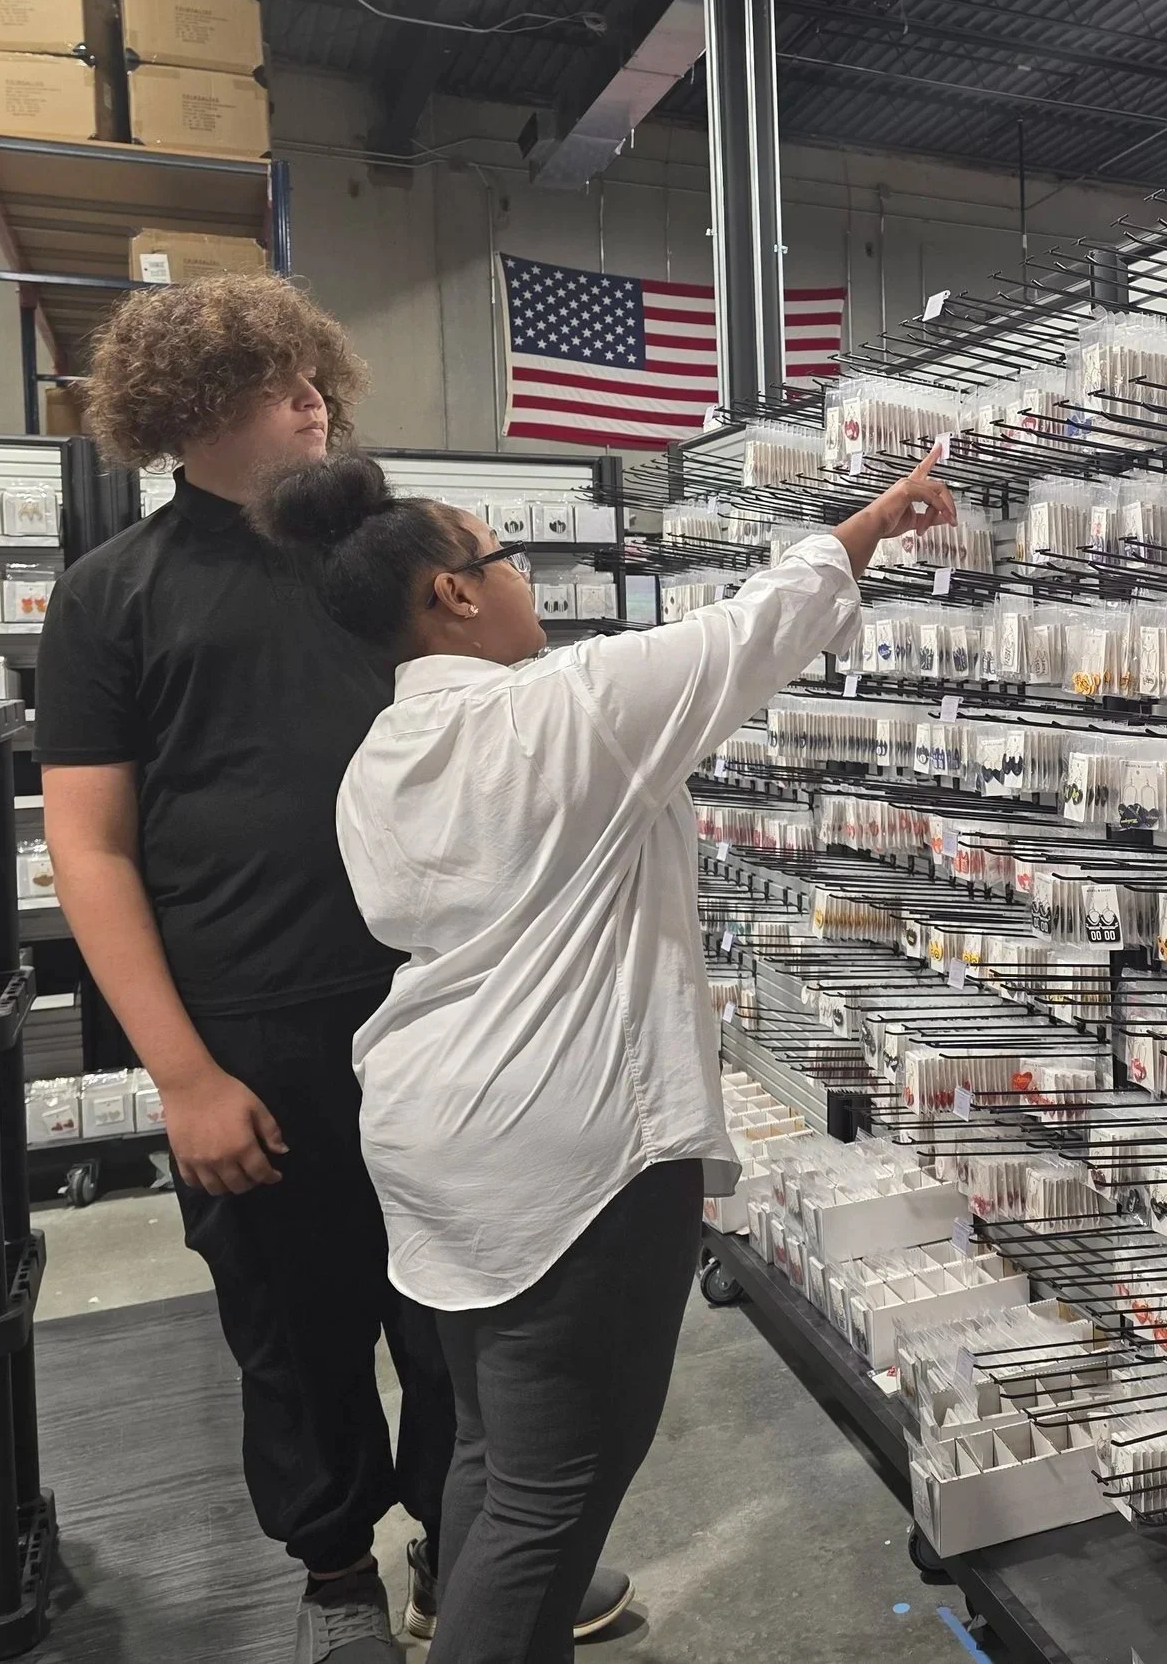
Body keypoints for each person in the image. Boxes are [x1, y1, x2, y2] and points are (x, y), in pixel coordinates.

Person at [248, 443, 955, 1663]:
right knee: (550, 1499)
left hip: (436, 1134)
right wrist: (872, 524)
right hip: (572, 1151)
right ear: (454, 594)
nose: (525, 580)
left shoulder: (381, 757)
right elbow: (747, 634)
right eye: (506, 559)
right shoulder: (557, 712)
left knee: (491, 1450)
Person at [34, 274, 639, 1664]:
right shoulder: (111, 594)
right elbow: (92, 844)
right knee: (294, 1322)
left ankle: (460, 1538)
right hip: (252, 1026)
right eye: (269, 379)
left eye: (313, 369)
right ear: (185, 412)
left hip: (440, 999)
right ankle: (332, 1574)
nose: (311, 395)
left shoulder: (382, 562)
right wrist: (182, 1072)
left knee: (463, 1304)